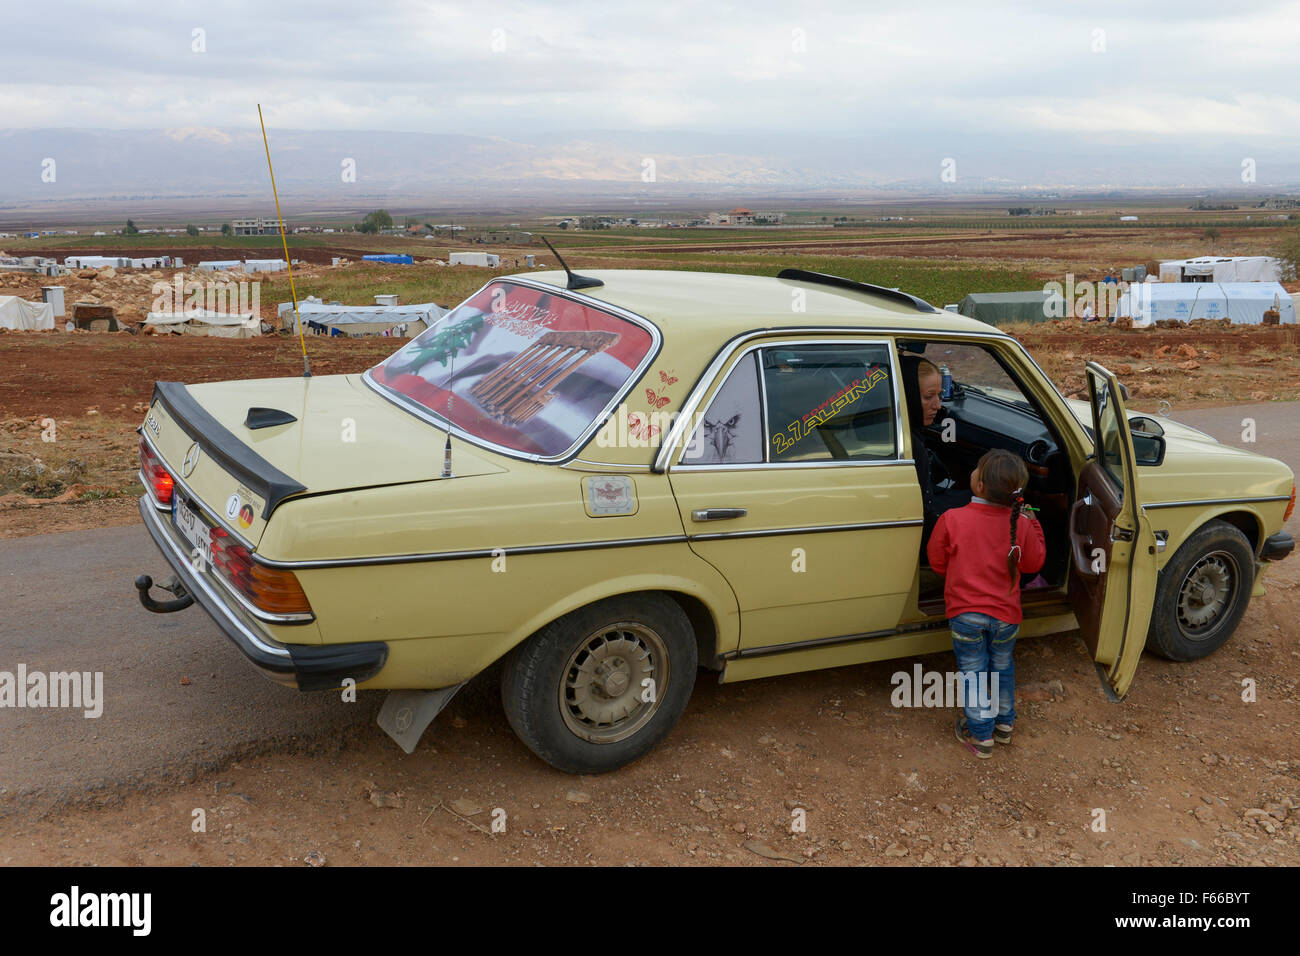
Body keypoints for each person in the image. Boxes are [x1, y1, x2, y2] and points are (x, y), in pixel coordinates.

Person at [926, 449, 1046, 758]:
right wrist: (1033, 524)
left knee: (973, 671)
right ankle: (1005, 724)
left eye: (978, 469)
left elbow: (937, 563)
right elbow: (1034, 564)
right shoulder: (1019, 525)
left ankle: (981, 735)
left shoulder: (953, 519)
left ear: (979, 485)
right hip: (1006, 616)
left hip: (965, 615)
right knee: (1003, 665)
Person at [900, 354, 970, 549]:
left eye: (939, 395)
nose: (938, 405)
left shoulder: (903, 432)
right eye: (928, 397)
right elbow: (927, 516)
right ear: (908, 395)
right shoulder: (911, 446)